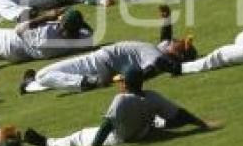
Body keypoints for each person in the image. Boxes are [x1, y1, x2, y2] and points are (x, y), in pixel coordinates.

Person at [22, 67, 215, 146]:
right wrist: (202, 124)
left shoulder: (120, 100)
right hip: (146, 130)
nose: (119, 83)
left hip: (121, 137)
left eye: (121, 81)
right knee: (163, 120)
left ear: (125, 83)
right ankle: (162, 126)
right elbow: (180, 113)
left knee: (79, 136)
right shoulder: (152, 96)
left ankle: (47, 143)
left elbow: (105, 129)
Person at [19, 6, 196, 93]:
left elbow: (152, 67)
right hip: (102, 64)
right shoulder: (161, 49)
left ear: (177, 53)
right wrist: (167, 19)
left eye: (180, 43)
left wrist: (127, 82)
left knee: (44, 74)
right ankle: (29, 86)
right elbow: (165, 39)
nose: (177, 39)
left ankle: (86, 83)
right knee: (56, 78)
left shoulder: (156, 56)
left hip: (97, 62)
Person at [0, 8, 93, 80]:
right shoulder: (78, 42)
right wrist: (78, 21)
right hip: (23, 56)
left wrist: (47, 16)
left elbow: (19, 29)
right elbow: (90, 33)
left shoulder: (45, 34)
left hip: (11, 42)